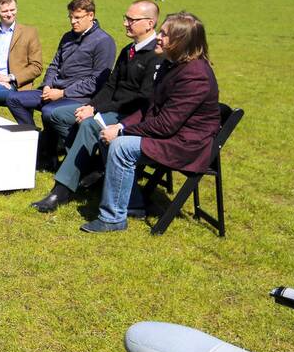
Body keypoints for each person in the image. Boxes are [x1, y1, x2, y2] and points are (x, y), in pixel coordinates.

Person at [81, 12, 220, 233]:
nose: (158, 37)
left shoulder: (196, 75)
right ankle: (133, 204)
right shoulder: (172, 65)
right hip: (172, 136)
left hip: (185, 146)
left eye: (164, 34)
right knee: (108, 134)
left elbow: (166, 125)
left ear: (181, 42)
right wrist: (119, 126)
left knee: (120, 146)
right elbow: (149, 108)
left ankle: (113, 218)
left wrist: (122, 133)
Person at [31, 0, 161, 212]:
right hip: (111, 108)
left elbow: (142, 99)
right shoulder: (129, 50)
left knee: (89, 125)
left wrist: (98, 112)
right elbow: (110, 85)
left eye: (131, 20)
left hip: (130, 115)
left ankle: (61, 190)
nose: (125, 23)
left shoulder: (157, 55)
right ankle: (91, 166)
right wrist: (91, 105)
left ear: (149, 23)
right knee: (57, 115)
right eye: (125, 18)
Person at [5, 0, 116, 171]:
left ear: (91, 15)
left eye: (77, 17)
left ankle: (66, 156)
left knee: (49, 111)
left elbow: (97, 81)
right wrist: (48, 85)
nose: (73, 21)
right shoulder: (67, 37)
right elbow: (54, 65)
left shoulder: (104, 41)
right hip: (53, 90)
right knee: (13, 99)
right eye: (70, 17)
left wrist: (63, 93)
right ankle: (38, 142)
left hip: (79, 97)